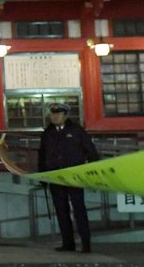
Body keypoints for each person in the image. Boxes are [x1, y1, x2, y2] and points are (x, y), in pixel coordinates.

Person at [37, 102, 99, 253]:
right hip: (55, 177)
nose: (55, 116)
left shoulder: (77, 131)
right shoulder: (48, 133)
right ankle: (68, 243)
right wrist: (43, 177)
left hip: (74, 177)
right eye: (52, 114)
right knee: (61, 211)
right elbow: (42, 156)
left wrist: (93, 172)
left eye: (58, 114)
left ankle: (86, 243)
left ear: (65, 115)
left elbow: (91, 151)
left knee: (79, 210)